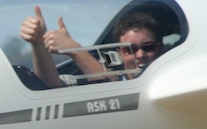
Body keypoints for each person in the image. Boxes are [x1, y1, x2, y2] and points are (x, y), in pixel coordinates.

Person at [20, 6, 164, 88]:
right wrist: (38, 43)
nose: (140, 55)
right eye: (129, 49)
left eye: (148, 47)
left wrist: (73, 49)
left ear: (160, 48)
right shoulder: (111, 78)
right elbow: (50, 89)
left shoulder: (168, 82)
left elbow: (115, 87)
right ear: (119, 53)